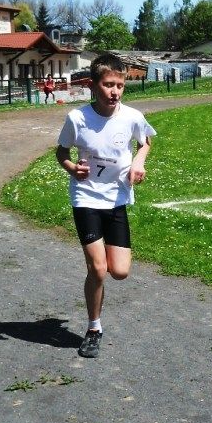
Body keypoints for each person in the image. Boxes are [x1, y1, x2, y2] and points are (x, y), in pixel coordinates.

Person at [55, 53, 156, 358]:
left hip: (117, 199)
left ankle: (98, 289)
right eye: (108, 85)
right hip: (86, 198)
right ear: (92, 85)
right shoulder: (77, 119)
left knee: (120, 271)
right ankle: (94, 328)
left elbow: (146, 141)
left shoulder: (132, 117)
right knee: (98, 269)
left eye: (120, 86)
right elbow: (61, 152)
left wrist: (138, 162)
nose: (115, 92)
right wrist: (72, 168)